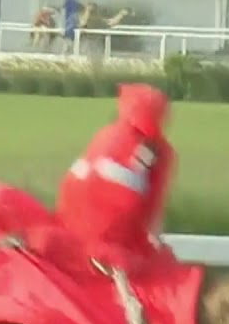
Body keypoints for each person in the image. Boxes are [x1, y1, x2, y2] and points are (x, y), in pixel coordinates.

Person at [55, 83, 177, 270]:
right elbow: (154, 212)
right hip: (112, 233)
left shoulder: (104, 134)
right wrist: (155, 245)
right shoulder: (160, 151)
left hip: (68, 216)